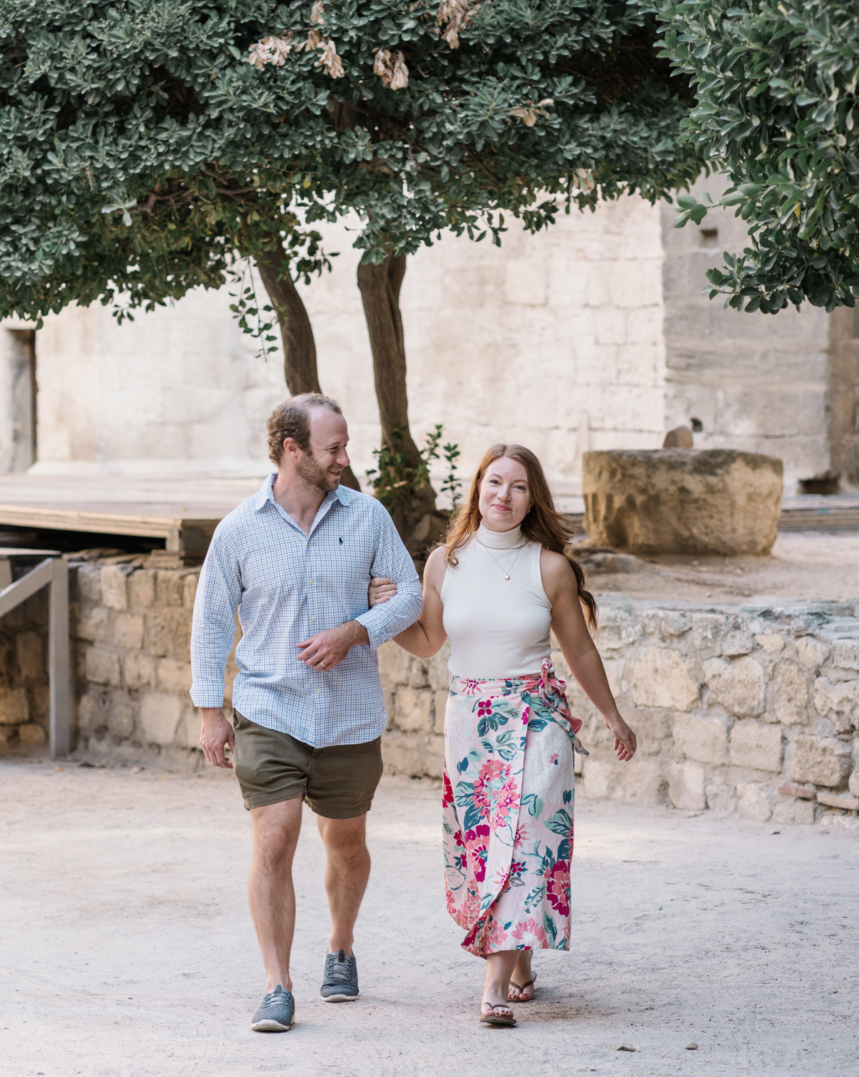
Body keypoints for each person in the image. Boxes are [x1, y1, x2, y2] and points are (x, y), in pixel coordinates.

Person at [368, 442, 637, 1028]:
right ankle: (519, 962)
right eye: (494, 483)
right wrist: (385, 615)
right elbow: (428, 642)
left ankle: (491, 987)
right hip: (470, 723)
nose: (504, 497)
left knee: (524, 844)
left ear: (532, 497)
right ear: (477, 490)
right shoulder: (445, 561)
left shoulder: (550, 567)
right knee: (484, 847)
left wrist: (613, 716)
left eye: (518, 487)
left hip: (538, 719)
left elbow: (579, 649)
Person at [191, 392, 423, 1034]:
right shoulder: (239, 529)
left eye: (346, 446)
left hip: (348, 714)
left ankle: (340, 946)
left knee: (345, 843)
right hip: (268, 708)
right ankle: (276, 983)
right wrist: (211, 712)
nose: (345, 458)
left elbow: (409, 595)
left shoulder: (369, 518)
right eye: (334, 448)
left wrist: (356, 630)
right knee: (274, 838)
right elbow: (210, 623)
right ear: (293, 450)